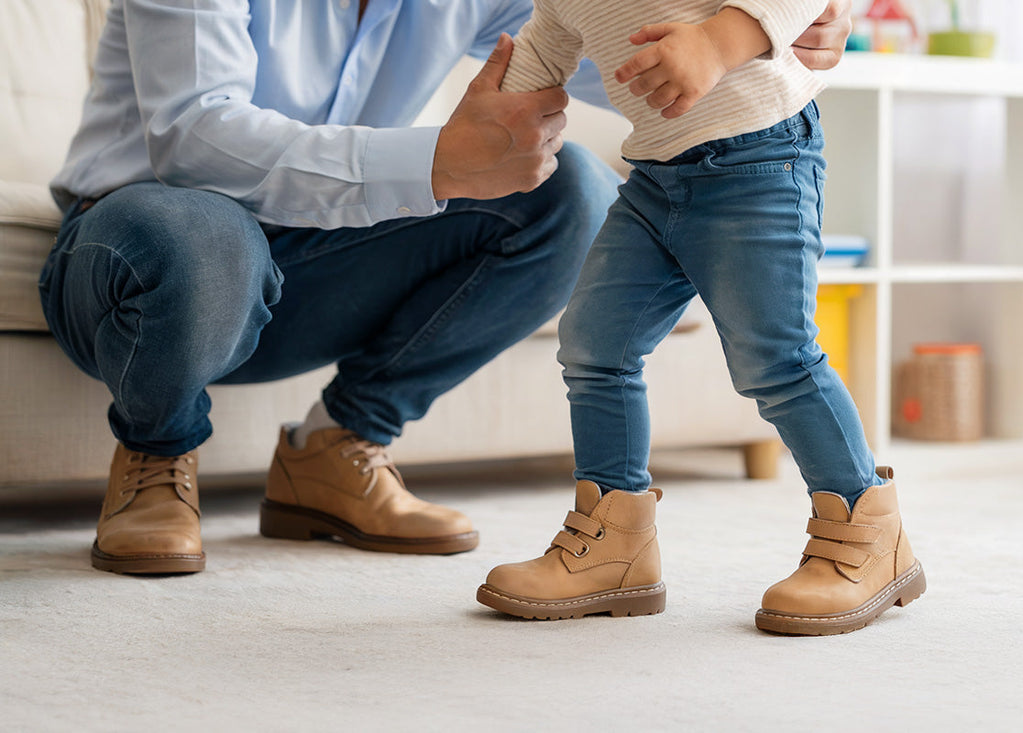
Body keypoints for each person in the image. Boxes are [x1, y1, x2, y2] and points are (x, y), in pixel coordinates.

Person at [39, 0, 854, 576]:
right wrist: (435, 163)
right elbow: (195, 137)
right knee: (198, 231)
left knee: (565, 192)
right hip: (136, 259)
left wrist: (762, 29)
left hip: (310, 260)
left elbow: (621, 38)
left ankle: (337, 448)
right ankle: (155, 448)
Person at [476, 0, 926, 635]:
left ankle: (869, 534)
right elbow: (547, 44)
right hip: (656, 178)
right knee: (594, 343)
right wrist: (493, 114)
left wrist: (716, 43)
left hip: (760, 160)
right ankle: (613, 544)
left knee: (777, 359)